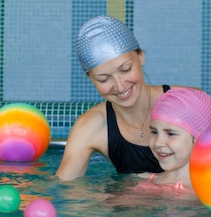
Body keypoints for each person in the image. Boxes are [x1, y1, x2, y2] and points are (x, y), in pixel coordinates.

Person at [55, 15, 197, 181]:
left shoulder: (188, 102)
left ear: (141, 56)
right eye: (103, 79)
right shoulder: (91, 127)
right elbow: (65, 191)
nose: (120, 86)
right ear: (91, 79)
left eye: (126, 69)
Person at [143, 87, 211, 189]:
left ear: (200, 138)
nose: (158, 143)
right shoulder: (145, 180)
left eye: (171, 134)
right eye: (154, 132)